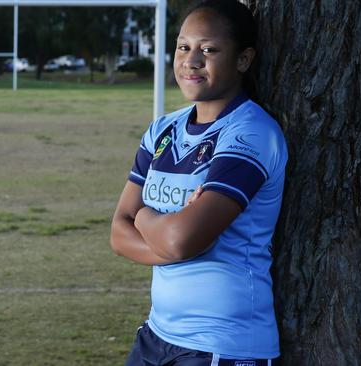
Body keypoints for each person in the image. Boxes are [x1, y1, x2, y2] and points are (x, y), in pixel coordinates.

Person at [110, 0, 287, 365]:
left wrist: (144, 217)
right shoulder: (163, 130)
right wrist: (171, 237)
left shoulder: (250, 133)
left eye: (208, 49)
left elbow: (180, 239)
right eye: (183, 46)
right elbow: (118, 234)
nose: (191, 61)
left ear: (243, 59)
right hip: (156, 335)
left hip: (223, 345)